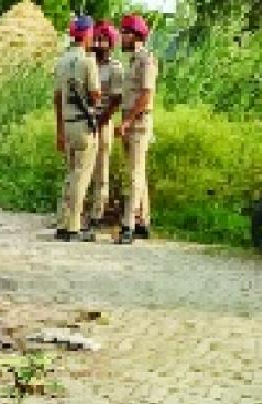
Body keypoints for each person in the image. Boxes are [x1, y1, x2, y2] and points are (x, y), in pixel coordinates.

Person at [53, 16, 101, 242]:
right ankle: (74, 227)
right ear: (86, 34)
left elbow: (57, 98)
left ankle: (63, 223)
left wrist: (59, 131)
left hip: (68, 124)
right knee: (81, 176)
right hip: (83, 124)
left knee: (70, 175)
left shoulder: (61, 61)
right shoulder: (88, 62)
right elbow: (95, 94)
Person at [116, 14, 157, 244]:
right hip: (130, 121)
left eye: (125, 33)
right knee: (137, 173)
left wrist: (128, 121)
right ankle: (143, 221)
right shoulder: (133, 61)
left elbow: (146, 94)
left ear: (136, 35)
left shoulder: (146, 60)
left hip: (138, 123)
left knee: (134, 176)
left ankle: (127, 226)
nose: (122, 37)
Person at [89, 21, 123, 230]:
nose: (99, 44)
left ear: (110, 44)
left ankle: (96, 214)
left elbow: (116, 99)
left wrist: (102, 120)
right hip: (86, 121)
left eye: (103, 40)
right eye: (97, 39)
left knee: (101, 170)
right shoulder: (88, 63)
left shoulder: (115, 68)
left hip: (103, 122)